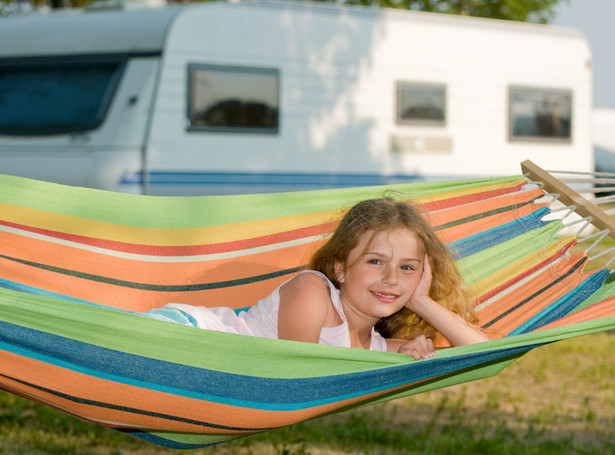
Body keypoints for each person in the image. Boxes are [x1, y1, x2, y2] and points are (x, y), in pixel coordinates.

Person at [143, 197, 488, 359]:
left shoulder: (381, 348)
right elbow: (298, 373)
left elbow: (481, 352)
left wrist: (421, 301)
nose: (391, 279)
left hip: (206, 367)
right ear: (340, 269)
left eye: (407, 268)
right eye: (375, 261)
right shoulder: (313, 291)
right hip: (182, 334)